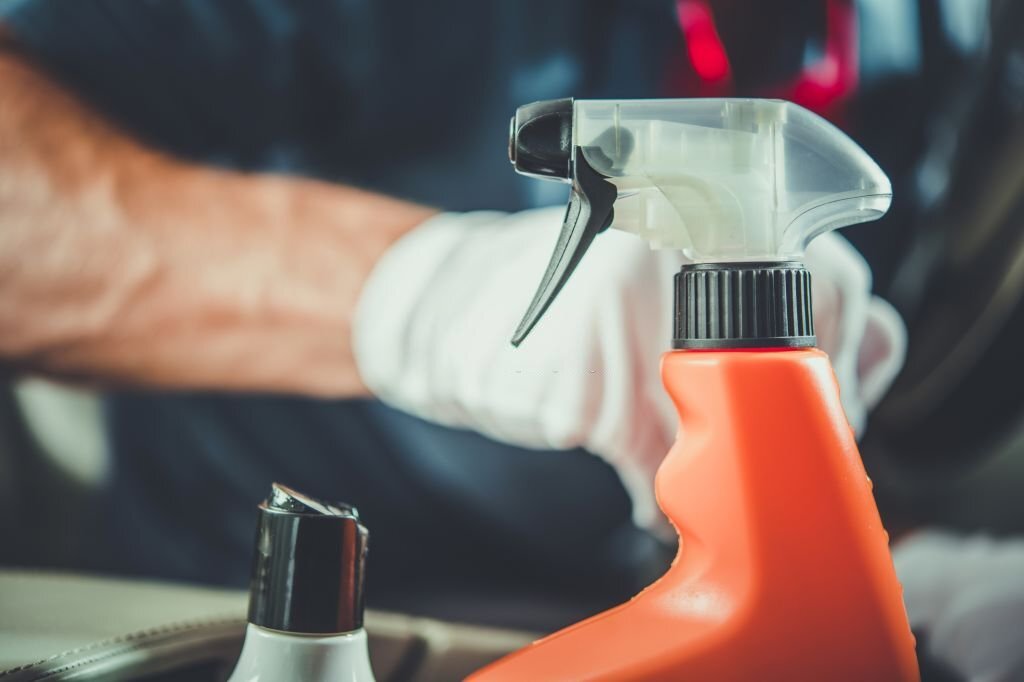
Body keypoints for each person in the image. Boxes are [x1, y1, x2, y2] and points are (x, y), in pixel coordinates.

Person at [0, 0, 903, 628]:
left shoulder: (939, 52)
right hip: (269, 614)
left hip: (628, 606)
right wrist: (428, 298)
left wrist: (891, 571)